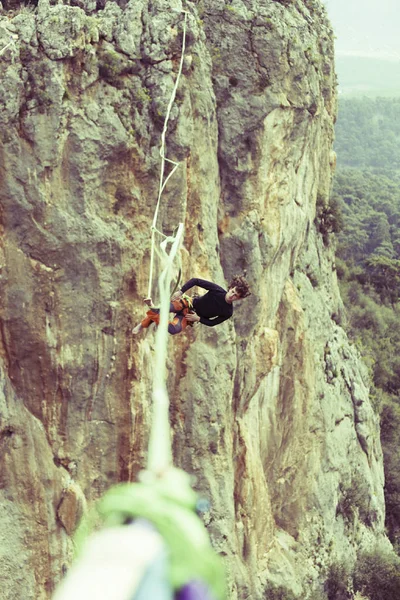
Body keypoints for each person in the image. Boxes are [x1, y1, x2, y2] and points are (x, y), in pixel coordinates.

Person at [132, 276, 251, 336]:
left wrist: (198, 319)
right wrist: (181, 291)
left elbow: (212, 322)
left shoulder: (228, 312)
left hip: (190, 316)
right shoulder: (217, 290)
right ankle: (148, 316)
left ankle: (153, 313)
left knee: (174, 329)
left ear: (239, 298)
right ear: (230, 288)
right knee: (165, 309)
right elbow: (196, 281)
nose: (232, 295)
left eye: (236, 296)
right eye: (233, 292)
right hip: (188, 303)